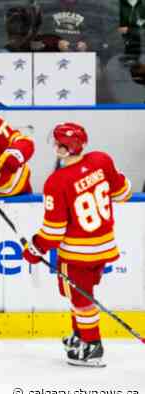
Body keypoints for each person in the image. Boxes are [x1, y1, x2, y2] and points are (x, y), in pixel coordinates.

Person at [22, 123, 133, 367]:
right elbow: (123, 192)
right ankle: (80, 337)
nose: (54, 147)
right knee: (77, 295)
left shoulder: (56, 182)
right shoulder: (101, 160)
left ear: (63, 149)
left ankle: (93, 348)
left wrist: (33, 249)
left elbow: (53, 232)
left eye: (57, 143)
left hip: (77, 254)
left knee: (82, 302)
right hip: (103, 248)